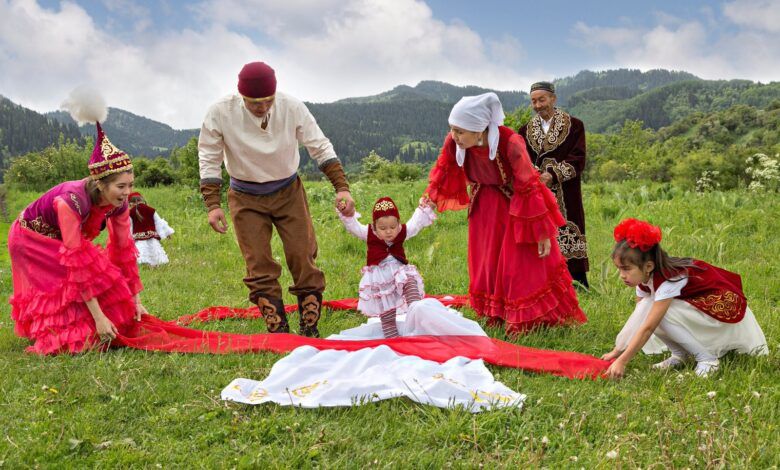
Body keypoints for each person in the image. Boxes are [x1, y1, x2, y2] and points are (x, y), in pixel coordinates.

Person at [198, 61, 356, 337]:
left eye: (267, 100)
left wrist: (341, 187)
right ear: (242, 96)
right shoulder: (220, 112)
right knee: (258, 261)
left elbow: (319, 146)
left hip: (287, 192)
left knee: (301, 253)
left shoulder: (291, 107)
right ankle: (278, 329)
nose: (261, 107)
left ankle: (310, 325)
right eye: (254, 102)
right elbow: (209, 157)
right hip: (245, 196)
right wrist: (213, 204)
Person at [421, 92, 587, 334]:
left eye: (460, 131)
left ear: (479, 130)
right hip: (483, 207)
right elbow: (445, 169)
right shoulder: (455, 141)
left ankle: (525, 317)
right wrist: (430, 199)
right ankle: (494, 311)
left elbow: (529, 186)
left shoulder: (510, 142)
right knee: (487, 260)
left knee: (516, 264)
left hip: (514, 206)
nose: (453, 136)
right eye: (452, 129)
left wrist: (540, 231)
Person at [8, 89, 147, 354]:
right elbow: (76, 262)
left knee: (106, 280)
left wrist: (135, 300)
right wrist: (98, 317)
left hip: (61, 239)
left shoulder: (119, 203)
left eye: (131, 185)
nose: (127, 192)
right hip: (30, 239)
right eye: (121, 186)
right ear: (100, 184)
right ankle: (55, 335)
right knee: (66, 289)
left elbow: (123, 250)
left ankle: (95, 323)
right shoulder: (69, 201)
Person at [602, 218, 768, 379]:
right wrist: (618, 351)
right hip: (696, 305)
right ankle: (680, 354)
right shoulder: (642, 278)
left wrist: (622, 361)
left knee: (658, 314)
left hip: (718, 306)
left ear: (648, 266)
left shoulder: (669, 280)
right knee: (648, 309)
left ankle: (707, 359)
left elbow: (648, 326)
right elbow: (639, 317)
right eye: (619, 269)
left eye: (626, 269)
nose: (622, 275)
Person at [518, 81, 590, 288]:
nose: (538, 105)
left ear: (553, 99)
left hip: (566, 191)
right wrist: (532, 175)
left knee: (569, 228)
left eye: (542, 99)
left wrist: (553, 174)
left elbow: (578, 158)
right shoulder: (525, 130)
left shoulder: (574, 125)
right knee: (541, 232)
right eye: (534, 101)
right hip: (537, 191)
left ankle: (577, 281)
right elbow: (521, 159)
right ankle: (545, 283)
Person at [338, 197, 436, 337]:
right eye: (383, 228)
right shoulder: (369, 233)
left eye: (392, 227)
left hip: (400, 272)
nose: (389, 232)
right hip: (381, 279)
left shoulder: (402, 232)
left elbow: (415, 223)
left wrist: (425, 209)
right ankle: (393, 339)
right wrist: (347, 215)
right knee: (387, 315)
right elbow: (354, 227)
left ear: (398, 224)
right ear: (375, 226)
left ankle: (418, 325)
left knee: (412, 290)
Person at [129, 192, 174, 266]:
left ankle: (142, 264)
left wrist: (129, 239)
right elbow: (158, 222)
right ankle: (155, 263)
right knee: (154, 250)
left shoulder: (131, 212)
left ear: (130, 203)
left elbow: (130, 226)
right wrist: (167, 233)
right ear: (143, 200)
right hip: (151, 236)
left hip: (138, 238)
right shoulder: (151, 210)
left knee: (140, 252)